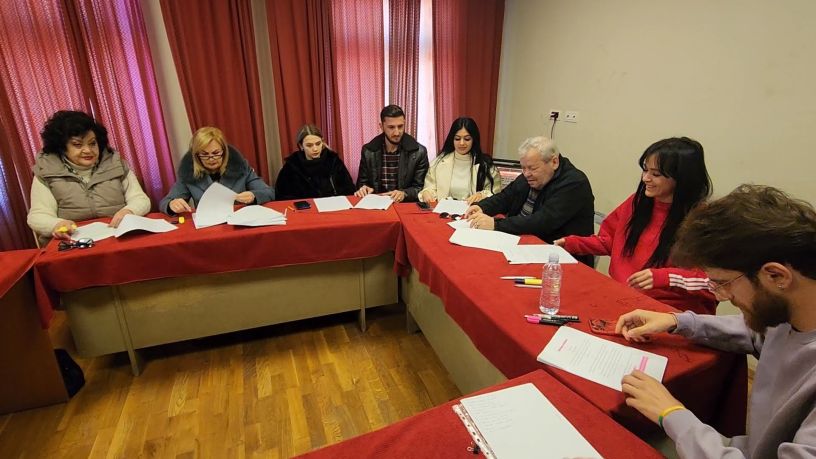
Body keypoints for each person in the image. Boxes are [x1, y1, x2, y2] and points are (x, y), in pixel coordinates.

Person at [616, 184, 816, 458]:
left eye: (724, 283)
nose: (722, 296)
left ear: (776, 276)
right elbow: (758, 333)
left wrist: (672, 414)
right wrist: (677, 321)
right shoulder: (790, 314)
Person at [555, 137, 717, 314]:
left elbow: (714, 283)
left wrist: (665, 277)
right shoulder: (637, 202)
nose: (646, 178)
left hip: (670, 313)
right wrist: (572, 243)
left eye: (656, 174)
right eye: (645, 170)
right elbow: (611, 242)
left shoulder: (704, 220)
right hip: (623, 298)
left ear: (681, 179)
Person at [464, 136, 594, 265]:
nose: (526, 174)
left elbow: (542, 221)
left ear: (554, 162)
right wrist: (482, 207)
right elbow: (506, 197)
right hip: (521, 244)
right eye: (523, 168)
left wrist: (496, 224)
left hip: (559, 259)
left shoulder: (574, 183)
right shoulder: (530, 175)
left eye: (532, 168)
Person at [27, 110, 151, 245]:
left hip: (119, 237)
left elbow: (140, 199)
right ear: (62, 147)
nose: (88, 150)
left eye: (92, 143)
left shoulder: (116, 165)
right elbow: (38, 216)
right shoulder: (46, 172)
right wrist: (56, 224)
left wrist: (129, 211)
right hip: (72, 243)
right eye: (77, 144)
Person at [160, 127, 274, 215]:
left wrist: (253, 196)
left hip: (239, 222)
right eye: (204, 154)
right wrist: (172, 205)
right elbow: (165, 202)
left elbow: (269, 192)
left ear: (224, 151)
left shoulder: (241, 167)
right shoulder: (189, 173)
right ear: (196, 155)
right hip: (207, 226)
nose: (211, 159)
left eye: (216, 153)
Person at [354, 104, 429, 202]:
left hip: (404, 204)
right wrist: (364, 189)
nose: (397, 132)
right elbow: (362, 183)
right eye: (391, 127)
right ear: (381, 126)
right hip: (376, 203)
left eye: (400, 126)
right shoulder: (368, 151)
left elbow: (421, 188)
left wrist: (404, 193)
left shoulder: (419, 152)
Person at [419, 117, 502, 205]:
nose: (462, 143)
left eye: (467, 139)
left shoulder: (486, 165)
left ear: (474, 140)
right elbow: (430, 187)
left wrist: (483, 195)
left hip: (474, 211)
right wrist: (426, 193)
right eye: (457, 139)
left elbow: (496, 193)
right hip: (443, 210)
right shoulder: (438, 162)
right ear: (452, 139)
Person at [275, 124, 355, 200]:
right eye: (309, 145)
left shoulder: (333, 161)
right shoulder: (291, 166)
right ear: (301, 146)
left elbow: (349, 189)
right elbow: (282, 196)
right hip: (304, 208)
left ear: (322, 142)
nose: (315, 149)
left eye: (318, 144)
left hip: (333, 206)